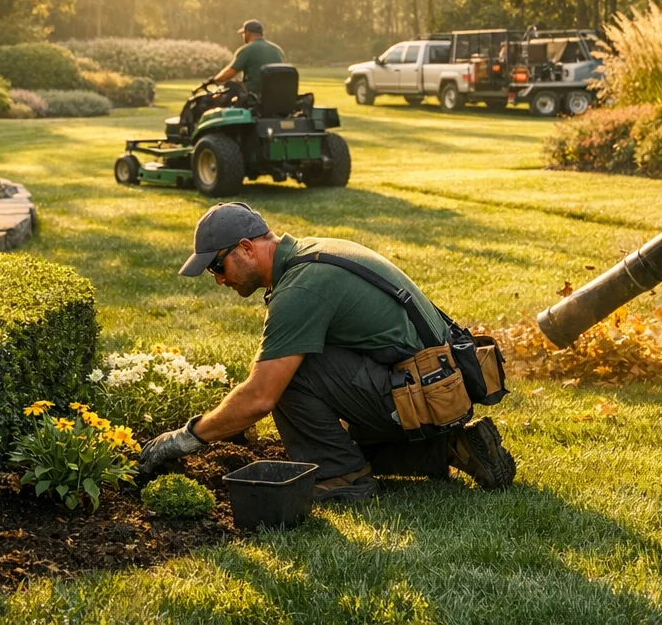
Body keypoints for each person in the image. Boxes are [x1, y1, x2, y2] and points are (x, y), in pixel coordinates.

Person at [138, 202, 516, 499]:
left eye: (217, 267)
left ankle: (341, 478)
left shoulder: (302, 289)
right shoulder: (316, 251)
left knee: (288, 375)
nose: (219, 279)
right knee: (327, 414)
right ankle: (458, 446)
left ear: (247, 248)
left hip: (422, 394)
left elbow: (259, 399)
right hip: (436, 388)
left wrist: (184, 438)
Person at [209, 19, 285, 96]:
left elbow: (230, 72)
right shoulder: (278, 50)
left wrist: (214, 79)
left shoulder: (247, 49)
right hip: (276, 95)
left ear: (247, 33)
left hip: (253, 96)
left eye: (243, 34)